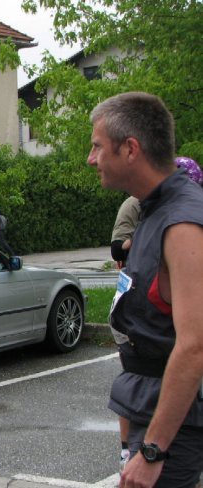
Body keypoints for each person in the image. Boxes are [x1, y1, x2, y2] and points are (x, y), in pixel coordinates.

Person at [88, 92, 203, 488]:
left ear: (130, 149)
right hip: (150, 404)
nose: (91, 158)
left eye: (97, 146)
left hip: (174, 426)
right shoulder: (153, 208)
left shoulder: (183, 222)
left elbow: (194, 345)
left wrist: (154, 450)